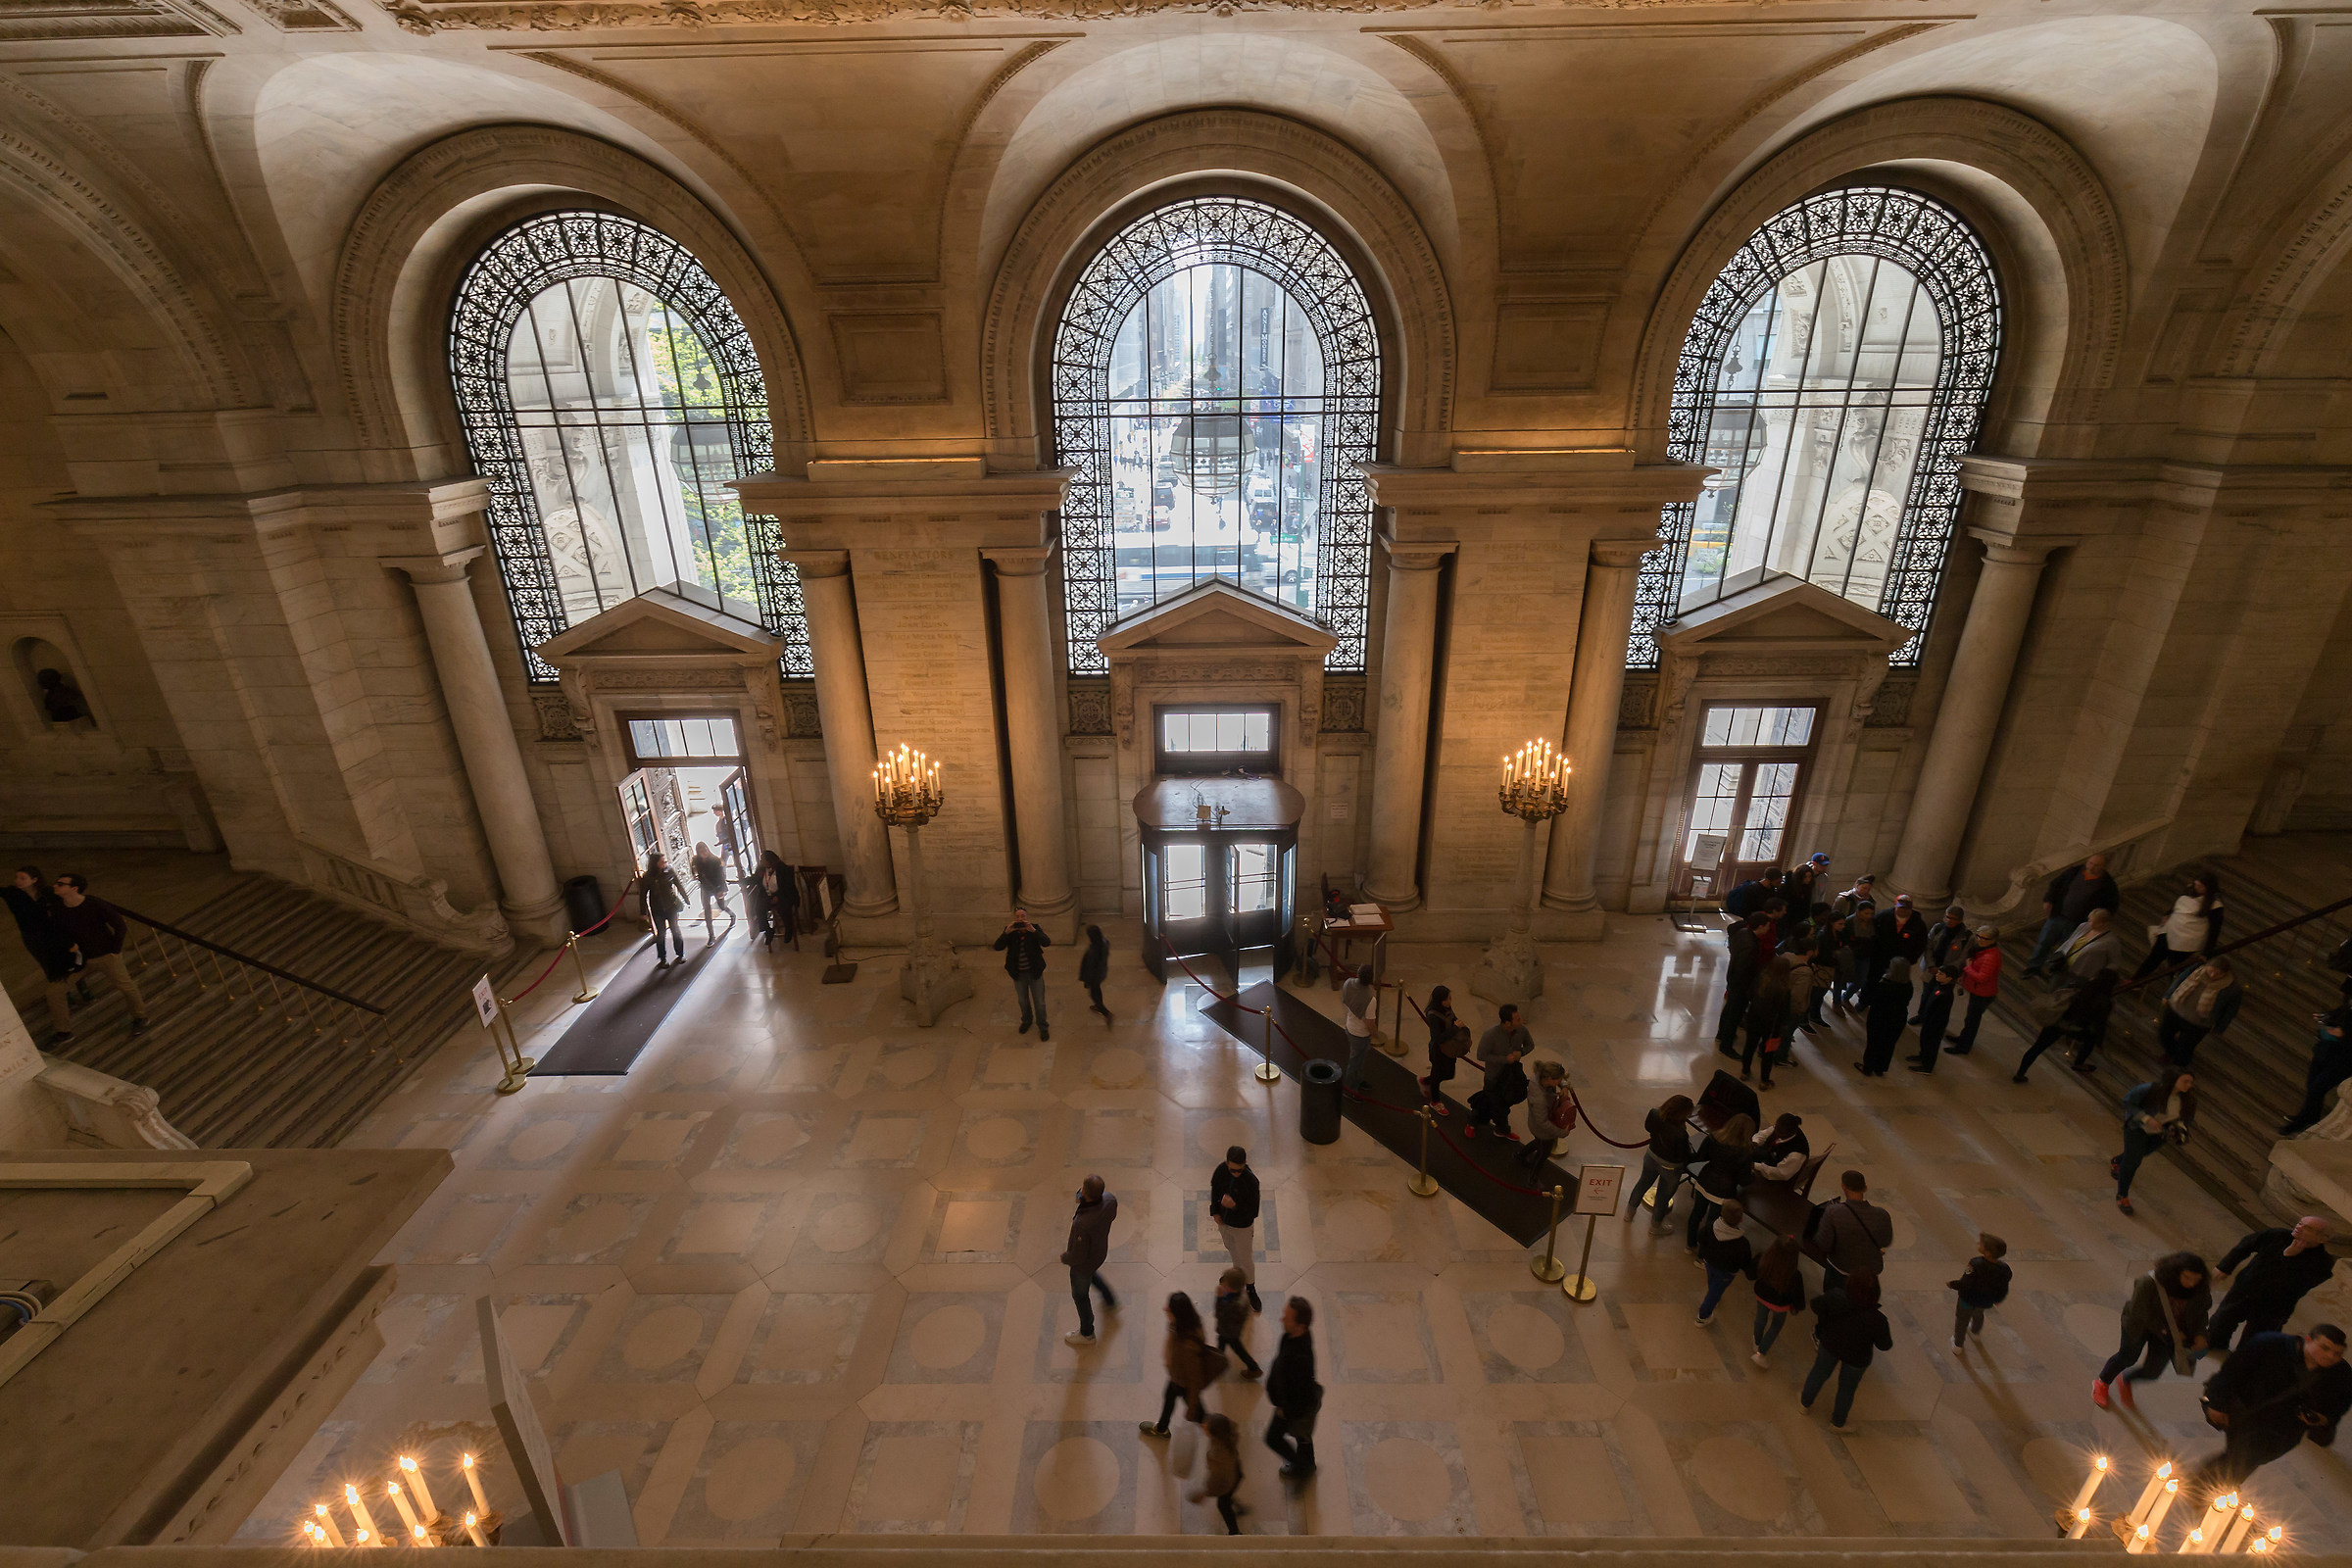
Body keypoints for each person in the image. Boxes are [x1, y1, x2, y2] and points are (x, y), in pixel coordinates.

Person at [2189, 1325, 2352, 1494]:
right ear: (2308, 1340)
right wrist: (2218, 1404)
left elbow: (2339, 1405)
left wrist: (2323, 1419)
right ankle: (2204, 1489)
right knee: (2242, 1457)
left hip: (2282, 1430)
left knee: (2249, 1459)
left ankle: (2214, 1488)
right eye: (2325, 1348)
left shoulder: (2341, 1374)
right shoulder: (2271, 1344)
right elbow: (2232, 1371)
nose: (2330, 1356)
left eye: (2337, 1353)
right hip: (2246, 1411)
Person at [2094, 1250, 2212, 1408]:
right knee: (2128, 1357)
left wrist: (2200, 1333)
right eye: (2187, 1277)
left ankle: (2127, 1379)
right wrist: (2169, 1331)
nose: (2192, 1283)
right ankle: (2102, 1382)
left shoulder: (2200, 1289)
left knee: (2153, 1371)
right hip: (2140, 1325)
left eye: (2196, 1279)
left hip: (2168, 1334)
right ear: (2176, 1273)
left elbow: (2200, 1313)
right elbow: (2139, 1313)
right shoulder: (2150, 1282)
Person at [2209, 1217, 2337, 1351]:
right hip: (2245, 1291)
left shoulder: (2323, 1264)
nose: (2299, 1227)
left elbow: (2295, 1286)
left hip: (2273, 1306)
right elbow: (2246, 1244)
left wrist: (2288, 1256)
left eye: (2308, 1228)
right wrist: (2224, 1267)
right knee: (2221, 1322)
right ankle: (2215, 1344)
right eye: (2300, 1223)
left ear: (2321, 1239)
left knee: (2255, 1343)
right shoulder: (2278, 1235)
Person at [49, 872, 148, 1036]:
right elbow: (59, 932)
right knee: (54, 991)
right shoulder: (58, 909)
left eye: (60, 884)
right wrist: (70, 946)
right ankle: (63, 1031)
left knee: (126, 986)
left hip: (105, 956)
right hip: (80, 959)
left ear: (74, 888)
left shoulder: (94, 903)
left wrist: (114, 951)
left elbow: (120, 926)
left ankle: (141, 1017)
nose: (55, 885)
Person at [1802, 1270, 1892, 1433]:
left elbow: (1816, 1305)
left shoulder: (1836, 1297)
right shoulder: (1877, 1319)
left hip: (1830, 1344)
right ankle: (1838, 1422)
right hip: (1857, 1357)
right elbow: (1885, 1345)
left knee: (1819, 1373)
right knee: (1847, 1389)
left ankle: (1804, 1403)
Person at [6, 865, 83, 1044]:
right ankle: (65, 993)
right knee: (47, 963)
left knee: (67, 959)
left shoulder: (47, 893)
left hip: (53, 933)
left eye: (23, 878)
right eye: (17, 877)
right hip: (33, 937)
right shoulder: (13, 894)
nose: (18, 881)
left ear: (34, 880)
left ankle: (81, 988)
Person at [2114, 1071, 2197, 1215]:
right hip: (2137, 1127)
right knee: (2133, 1161)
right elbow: (2128, 1102)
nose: (2189, 1085)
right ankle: (2122, 1195)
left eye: (2191, 1082)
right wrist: (2147, 1119)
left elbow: (2187, 1119)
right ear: (2174, 1079)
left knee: (2142, 1153)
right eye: (2186, 1081)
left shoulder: (2189, 1100)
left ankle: (2117, 1161)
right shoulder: (2151, 1089)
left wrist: (2175, 1127)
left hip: (2160, 1133)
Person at [2025, 854, 2121, 978]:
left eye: (2096, 865)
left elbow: (2111, 906)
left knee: (2066, 948)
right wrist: (2049, 900)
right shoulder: (2074, 872)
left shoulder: (2107, 885)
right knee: (2044, 942)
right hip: (2058, 916)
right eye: (2090, 863)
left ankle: (2055, 970)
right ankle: (2033, 967)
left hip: (2078, 923)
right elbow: (2055, 884)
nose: (2092, 867)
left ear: (2103, 867)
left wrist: (2097, 921)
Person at [2013, 970, 2120, 1081]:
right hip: (2076, 1028)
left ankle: (2020, 1074)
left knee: (2037, 1048)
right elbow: (2100, 1024)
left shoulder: (2083, 985)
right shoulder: (2106, 1002)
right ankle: (2078, 1063)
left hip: (2059, 1020)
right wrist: (2100, 1044)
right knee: (2091, 1039)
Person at [1139, 1293, 1217, 1438]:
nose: (1164, 1308)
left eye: (1169, 1308)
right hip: (1176, 1377)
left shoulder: (1187, 1345)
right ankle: (1162, 1428)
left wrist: (1191, 1408)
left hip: (1183, 1382)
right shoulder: (1183, 1325)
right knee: (1169, 1398)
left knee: (1199, 1413)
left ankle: (1217, 1436)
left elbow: (1194, 1379)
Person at [1263, 1297, 1322, 1481]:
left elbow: (1299, 1395)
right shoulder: (1290, 1336)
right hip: (1290, 1404)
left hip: (1291, 1408)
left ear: (1300, 1326)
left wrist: (1284, 1411)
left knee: (1273, 1438)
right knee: (1302, 1435)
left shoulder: (1300, 1360)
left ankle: (1299, 1466)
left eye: (1286, 1318)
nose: (1281, 1319)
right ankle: (1308, 1464)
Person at [1060, 1175, 1120, 1346]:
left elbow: (1077, 1257)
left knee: (1080, 1296)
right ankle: (1110, 1299)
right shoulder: (1110, 1200)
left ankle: (1087, 1333)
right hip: (1099, 1253)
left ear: (1085, 1192)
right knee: (1092, 1274)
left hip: (1083, 1263)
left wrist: (1065, 1258)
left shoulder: (1082, 1224)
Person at [2134, 870, 2226, 982]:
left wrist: (2207, 952)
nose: (2197, 888)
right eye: (2196, 884)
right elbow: (2179, 906)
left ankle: (2172, 988)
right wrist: (2168, 914)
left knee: (2174, 965)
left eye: (2200, 886)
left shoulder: (2215, 906)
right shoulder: (2190, 890)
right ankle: (2136, 980)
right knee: (2154, 957)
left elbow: (2214, 930)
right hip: (2170, 930)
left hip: (2186, 940)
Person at [1626, 1093, 1695, 1234]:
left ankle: (1629, 1214)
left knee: (1642, 1183)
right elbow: (1682, 1156)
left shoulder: (1654, 1113)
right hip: (1670, 1167)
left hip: (1651, 1156)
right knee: (1663, 1196)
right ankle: (1655, 1227)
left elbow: (1648, 1128)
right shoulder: (1681, 1134)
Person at [1814, 1170, 1894, 1291]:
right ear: (1865, 1188)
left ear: (1843, 1186)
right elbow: (1886, 1241)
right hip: (1869, 1271)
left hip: (1841, 1268)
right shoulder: (1882, 1215)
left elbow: (1823, 1244)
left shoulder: (1834, 1212)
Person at [1685, 1112, 1756, 1249]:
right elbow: (1744, 1180)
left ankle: (1690, 1245)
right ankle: (1702, 1255)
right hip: (1723, 1192)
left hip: (1704, 1180)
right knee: (1712, 1224)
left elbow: (1701, 1156)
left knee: (1696, 1215)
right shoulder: (1744, 1152)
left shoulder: (1713, 1138)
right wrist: (1752, 1174)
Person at [2283, 997, 2352, 1134]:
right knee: (2312, 1084)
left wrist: (2343, 1034)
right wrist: (2326, 1018)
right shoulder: (2349, 1003)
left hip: (2344, 1060)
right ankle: (2311, 1116)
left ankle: (2301, 1122)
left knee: (2317, 1087)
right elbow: (2339, 1012)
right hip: (2327, 1051)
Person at [2159, 958, 2243, 1068]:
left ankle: (2177, 1068)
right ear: (2207, 966)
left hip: (2199, 1024)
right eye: (2211, 970)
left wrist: (2220, 1027)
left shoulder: (2232, 988)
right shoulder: (2195, 971)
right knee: (2164, 1035)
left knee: (2186, 1048)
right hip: (2176, 1011)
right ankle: (2171, 1053)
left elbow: (2231, 1010)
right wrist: (2168, 995)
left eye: (2218, 974)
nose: (2213, 975)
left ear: (2225, 973)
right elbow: (2180, 980)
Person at [1210, 1145, 1262, 1311]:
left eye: (1239, 1170)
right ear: (1227, 1163)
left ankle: (1250, 1288)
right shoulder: (1221, 1171)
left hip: (1242, 1227)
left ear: (1245, 1163)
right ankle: (1236, 1277)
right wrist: (1215, 1212)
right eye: (1232, 1170)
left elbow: (1253, 1211)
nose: (1236, 1174)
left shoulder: (1251, 1182)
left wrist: (1234, 1206)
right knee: (1232, 1249)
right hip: (1224, 1222)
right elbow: (1215, 1190)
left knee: (1245, 1258)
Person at [1471, 1004, 1532, 1140]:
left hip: (1511, 1076)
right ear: (1507, 1022)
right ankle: (1499, 1128)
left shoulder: (1522, 1030)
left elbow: (1530, 1045)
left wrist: (1521, 1052)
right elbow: (1481, 1055)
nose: (1521, 1021)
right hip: (1493, 1077)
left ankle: (1485, 1123)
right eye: (1517, 1019)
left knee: (1500, 1104)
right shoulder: (1490, 1034)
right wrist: (1504, 1059)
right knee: (1496, 1105)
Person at [993, 908, 1052, 1041]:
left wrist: (1033, 931)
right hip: (1018, 974)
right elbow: (997, 947)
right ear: (1014, 918)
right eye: (1017, 916)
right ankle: (1027, 1020)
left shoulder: (1034, 928)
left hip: (1034, 972)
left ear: (1027, 917)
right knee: (1022, 1001)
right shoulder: (1010, 932)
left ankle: (1043, 1027)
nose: (1020, 919)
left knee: (1040, 1003)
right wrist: (1006, 933)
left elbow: (1046, 942)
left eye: (1022, 916)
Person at [1696, 1198, 1756, 1326]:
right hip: (1726, 1272)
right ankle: (1702, 1316)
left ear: (1721, 1213)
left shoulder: (1711, 1226)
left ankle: (1713, 1296)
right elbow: (1745, 1261)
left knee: (1712, 1280)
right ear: (1741, 1219)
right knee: (1714, 1293)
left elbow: (1701, 1237)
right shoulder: (1742, 1243)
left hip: (1709, 1262)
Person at [1949, 1233, 2012, 1352]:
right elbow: (2003, 1287)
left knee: (1962, 1320)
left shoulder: (1975, 1263)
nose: (1978, 1243)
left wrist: (1953, 1284)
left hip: (1967, 1299)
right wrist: (1998, 1299)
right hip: (1985, 1300)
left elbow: (1966, 1283)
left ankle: (1958, 1344)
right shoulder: (2004, 1269)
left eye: (1981, 1244)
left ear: (1987, 1252)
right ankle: (1975, 1332)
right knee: (1978, 1314)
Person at [1718, 911, 1768, 1055]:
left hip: (1733, 980)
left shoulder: (1743, 933)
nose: (1768, 929)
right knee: (1735, 1014)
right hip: (1742, 985)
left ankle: (1721, 1034)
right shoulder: (1751, 944)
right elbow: (1744, 968)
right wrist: (1749, 988)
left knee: (1729, 1009)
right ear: (1760, 926)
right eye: (1767, 926)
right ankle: (1726, 1045)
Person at [1740, 954, 1792, 1089]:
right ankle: (1764, 1080)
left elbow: (1750, 994)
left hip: (1754, 1018)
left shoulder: (1761, 978)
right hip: (1772, 1026)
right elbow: (1784, 1012)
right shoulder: (1784, 989)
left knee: (1749, 1045)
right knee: (1768, 1052)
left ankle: (1745, 1072)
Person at [1752, 1234, 1804, 1366]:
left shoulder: (1763, 1259)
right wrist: (1798, 1306)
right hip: (1780, 1304)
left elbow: (1752, 1271)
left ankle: (1756, 1341)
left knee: (1760, 1318)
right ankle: (1761, 1352)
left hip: (1762, 1296)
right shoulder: (1795, 1275)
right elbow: (1798, 1295)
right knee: (1776, 1325)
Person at [1950, 925, 2002, 1054]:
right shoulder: (1983, 949)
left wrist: (1967, 968)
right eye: (1979, 936)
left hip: (1983, 993)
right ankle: (1962, 1039)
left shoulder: (1990, 957)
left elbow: (1981, 978)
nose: (1980, 940)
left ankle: (1963, 1047)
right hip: (1978, 990)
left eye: (1985, 938)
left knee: (1972, 1022)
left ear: (1993, 940)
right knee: (1970, 1020)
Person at [1192, 1411, 1247, 1534]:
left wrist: (1205, 1493)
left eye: (1207, 1426)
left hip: (1227, 1480)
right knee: (1229, 1495)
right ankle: (1239, 1507)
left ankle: (1235, 1531)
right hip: (1236, 1472)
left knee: (1223, 1504)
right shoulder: (1228, 1435)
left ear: (1214, 1433)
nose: (1203, 1426)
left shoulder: (1217, 1455)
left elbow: (1216, 1480)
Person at [1859, 956, 1913, 1075]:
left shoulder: (1885, 984)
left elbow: (1874, 999)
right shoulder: (1908, 985)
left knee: (1873, 1043)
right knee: (1888, 1044)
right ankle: (1880, 1068)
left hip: (1880, 1017)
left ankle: (1867, 1068)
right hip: (1898, 1018)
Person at [1517, 1058, 1573, 1171]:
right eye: (1559, 1080)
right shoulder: (1539, 1099)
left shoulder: (1541, 1075)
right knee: (1543, 1154)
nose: (1560, 1081)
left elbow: (1559, 1079)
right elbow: (1543, 1123)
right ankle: (1532, 1179)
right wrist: (1562, 1133)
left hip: (1537, 1123)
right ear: (1549, 1079)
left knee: (1538, 1143)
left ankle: (1520, 1155)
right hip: (1542, 1130)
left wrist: (1565, 1086)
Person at [637, 853, 688, 968]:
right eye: (662, 862)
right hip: (657, 909)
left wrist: (686, 899)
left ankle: (680, 954)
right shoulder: (648, 876)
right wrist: (643, 913)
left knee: (675, 930)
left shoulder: (669, 871)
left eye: (665, 861)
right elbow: (642, 895)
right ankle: (663, 958)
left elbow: (679, 885)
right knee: (661, 934)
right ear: (655, 864)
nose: (665, 864)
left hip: (671, 906)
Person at [2051, 907, 2123, 990]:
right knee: (2052, 990)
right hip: (2063, 966)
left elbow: (2114, 962)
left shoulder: (2111, 942)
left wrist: (2099, 976)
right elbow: (2071, 941)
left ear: (2103, 923)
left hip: (2081, 975)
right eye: (2089, 919)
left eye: (2092, 921)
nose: (2089, 922)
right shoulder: (2084, 926)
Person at [1907, 961, 1958, 1074]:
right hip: (1929, 1020)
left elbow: (1940, 1013)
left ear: (1949, 978)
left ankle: (1927, 1067)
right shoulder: (1939, 985)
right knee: (1924, 1040)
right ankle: (1922, 1056)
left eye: (1941, 974)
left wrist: (1930, 1022)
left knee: (1931, 1044)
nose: (1937, 975)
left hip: (1935, 1024)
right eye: (1938, 972)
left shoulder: (1946, 994)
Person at [1870, 896, 1928, 992]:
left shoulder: (1918, 924)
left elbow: (1921, 943)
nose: (1903, 910)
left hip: (1901, 962)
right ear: (1896, 905)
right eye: (1901, 907)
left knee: (1895, 984)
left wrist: (1911, 959)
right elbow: (1872, 933)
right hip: (1880, 957)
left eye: (1906, 908)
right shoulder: (1883, 916)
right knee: (1873, 979)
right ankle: (1865, 1001)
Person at [1211, 1268, 1262, 1379]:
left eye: (1224, 1285)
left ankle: (1253, 1368)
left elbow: (1219, 1314)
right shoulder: (1241, 1295)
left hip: (1229, 1331)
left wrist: (1219, 1298)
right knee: (1224, 1345)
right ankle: (1218, 1363)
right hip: (1232, 1329)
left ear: (1230, 1289)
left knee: (1237, 1349)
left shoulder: (1234, 1305)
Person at [1420, 984, 1461, 1113]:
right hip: (1439, 1051)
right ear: (1440, 1000)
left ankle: (1426, 1081)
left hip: (1450, 1049)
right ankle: (1435, 1101)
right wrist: (1455, 1029)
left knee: (1449, 1073)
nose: (1450, 1001)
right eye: (1447, 999)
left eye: (1450, 998)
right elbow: (1438, 1038)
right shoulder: (1433, 1014)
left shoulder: (1446, 1007)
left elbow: (1453, 1018)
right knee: (1437, 1076)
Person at [746, 851, 797, 950]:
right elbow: (755, 878)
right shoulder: (761, 869)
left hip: (783, 894)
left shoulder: (783, 869)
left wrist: (778, 897)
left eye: (763, 860)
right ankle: (768, 930)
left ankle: (788, 928)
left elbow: (788, 887)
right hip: (767, 894)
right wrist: (742, 881)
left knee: (783, 908)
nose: (761, 862)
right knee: (758, 908)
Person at [1342, 963, 1378, 1088]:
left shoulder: (1348, 983)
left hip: (1349, 1027)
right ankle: (1350, 1089)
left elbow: (1346, 1002)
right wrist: (1375, 1034)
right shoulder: (1370, 999)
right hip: (1360, 1035)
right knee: (1355, 1062)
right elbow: (1370, 1024)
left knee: (1359, 1059)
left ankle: (1359, 1080)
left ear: (1358, 974)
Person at [1836, 906, 1876, 1012]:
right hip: (1850, 956)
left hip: (1865, 956)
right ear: (1858, 912)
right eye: (1866, 913)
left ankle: (1846, 997)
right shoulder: (1849, 922)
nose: (1869, 916)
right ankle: (1836, 1002)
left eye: (1871, 913)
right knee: (1841, 979)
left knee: (1861, 980)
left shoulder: (1873, 923)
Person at [1751, 1112, 1808, 1183]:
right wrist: (1755, 1142)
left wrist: (1755, 1166)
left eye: (1780, 1132)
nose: (1776, 1133)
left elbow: (1780, 1173)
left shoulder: (1796, 1155)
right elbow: (1762, 1135)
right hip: (1766, 1160)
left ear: (1791, 1132)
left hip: (1777, 1180)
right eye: (1776, 1128)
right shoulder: (1780, 1128)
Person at [690, 840, 729, 932]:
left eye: (706, 850)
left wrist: (721, 890)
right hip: (705, 887)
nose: (704, 853)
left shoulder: (715, 860)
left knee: (722, 906)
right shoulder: (696, 861)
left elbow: (721, 876)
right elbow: (693, 872)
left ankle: (732, 915)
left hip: (716, 886)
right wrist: (695, 873)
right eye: (702, 852)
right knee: (707, 910)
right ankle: (711, 934)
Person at [1079, 924, 1114, 1024]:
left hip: (1093, 977)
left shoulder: (1092, 952)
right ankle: (1098, 1006)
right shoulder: (1105, 942)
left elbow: (1089, 968)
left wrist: (1086, 981)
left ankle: (1106, 1012)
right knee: (1097, 990)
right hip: (1101, 973)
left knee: (1094, 995)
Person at [1926, 904, 1972, 976]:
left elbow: (1963, 958)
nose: (1949, 921)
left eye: (1954, 919)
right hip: (1931, 969)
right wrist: (1931, 965)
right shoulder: (1937, 928)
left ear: (1960, 920)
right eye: (1948, 917)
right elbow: (1928, 947)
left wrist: (1944, 970)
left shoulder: (1967, 936)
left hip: (1949, 973)